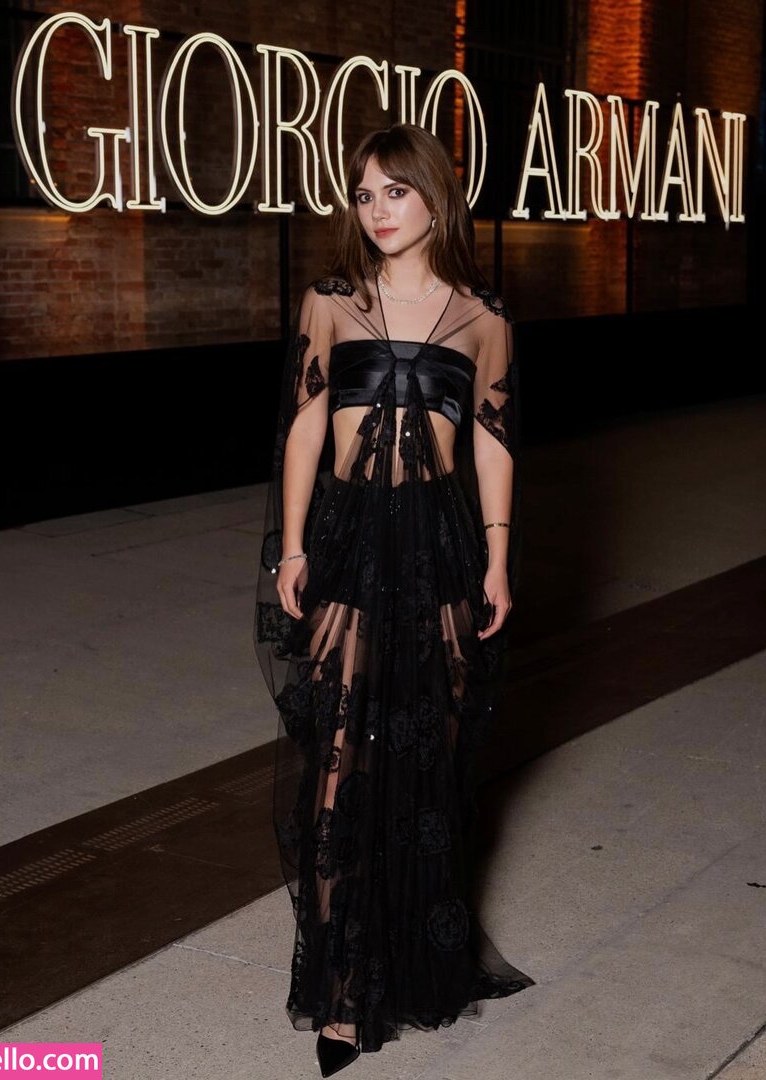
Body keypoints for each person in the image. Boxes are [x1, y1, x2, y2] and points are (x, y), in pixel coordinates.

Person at [253, 122, 535, 1077]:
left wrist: (498, 558)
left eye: (395, 191)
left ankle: (416, 966)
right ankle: (340, 994)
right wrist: (294, 545)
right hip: (349, 542)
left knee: (429, 759)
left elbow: (493, 438)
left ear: (435, 197)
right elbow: (303, 424)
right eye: (364, 194)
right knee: (341, 756)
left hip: (441, 546)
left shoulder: (484, 317)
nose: (377, 210)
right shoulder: (332, 301)